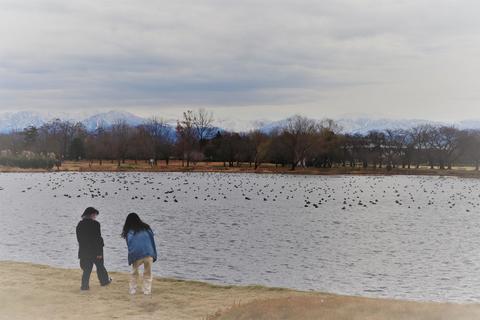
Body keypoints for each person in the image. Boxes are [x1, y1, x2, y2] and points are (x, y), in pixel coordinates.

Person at [76, 207, 111, 290]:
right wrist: (99, 252)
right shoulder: (96, 224)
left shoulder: (80, 224)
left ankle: (84, 286)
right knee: (100, 267)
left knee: (87, 270)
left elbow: (79, 239)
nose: (95, 216)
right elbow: (98, 238)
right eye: (95, 215)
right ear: (92, 214)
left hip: (84, 251)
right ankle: (104, 282)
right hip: (95, 250)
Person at [121, 213, 157, 295]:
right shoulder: (146, 228)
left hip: (137, 254)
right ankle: (147, 291)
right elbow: (151, 238)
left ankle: (132, 291)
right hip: (149, 253)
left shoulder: (129, 231)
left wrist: (131, 256)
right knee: (148, 273)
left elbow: (129, 244)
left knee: (134, 272)